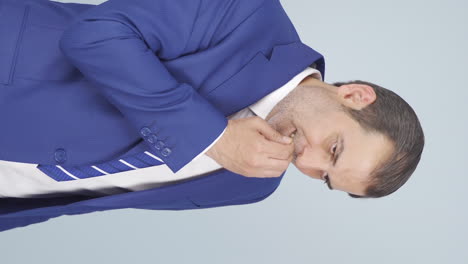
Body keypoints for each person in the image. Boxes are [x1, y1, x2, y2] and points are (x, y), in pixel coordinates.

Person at [0, 0, 424, 231]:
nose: (306, 164)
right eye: (334, 149)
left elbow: (83, 196)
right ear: (353, 95)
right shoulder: (247, 12)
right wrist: (212, 136)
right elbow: (95, 35)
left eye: (325, 179)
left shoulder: (251, 187)